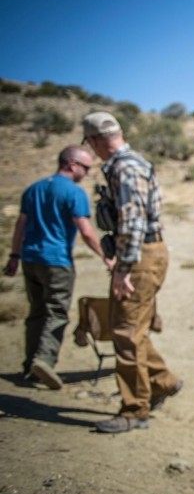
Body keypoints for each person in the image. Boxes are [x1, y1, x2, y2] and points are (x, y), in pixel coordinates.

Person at [82, 111, 183, 434]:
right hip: (143, 253)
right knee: (130, 327)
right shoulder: (129, 165)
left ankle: (134, 409)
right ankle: (163, 381)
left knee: (126, 331)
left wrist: (123, 269)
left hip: (139, 256)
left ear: (95, 140)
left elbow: (133, 221)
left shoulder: (125, 168)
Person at [4, 146, 109, 388]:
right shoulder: (74, 193)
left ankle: (29, 365)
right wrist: (106, 257)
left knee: (36, 311)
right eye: (85, 168)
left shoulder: (34, 189)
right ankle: (44, 361)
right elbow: (86, 231)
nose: (86, 173)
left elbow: (20, 225)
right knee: (57, 312)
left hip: (30, 259)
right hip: (57, 261)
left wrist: (14, 255)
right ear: (72, 165)